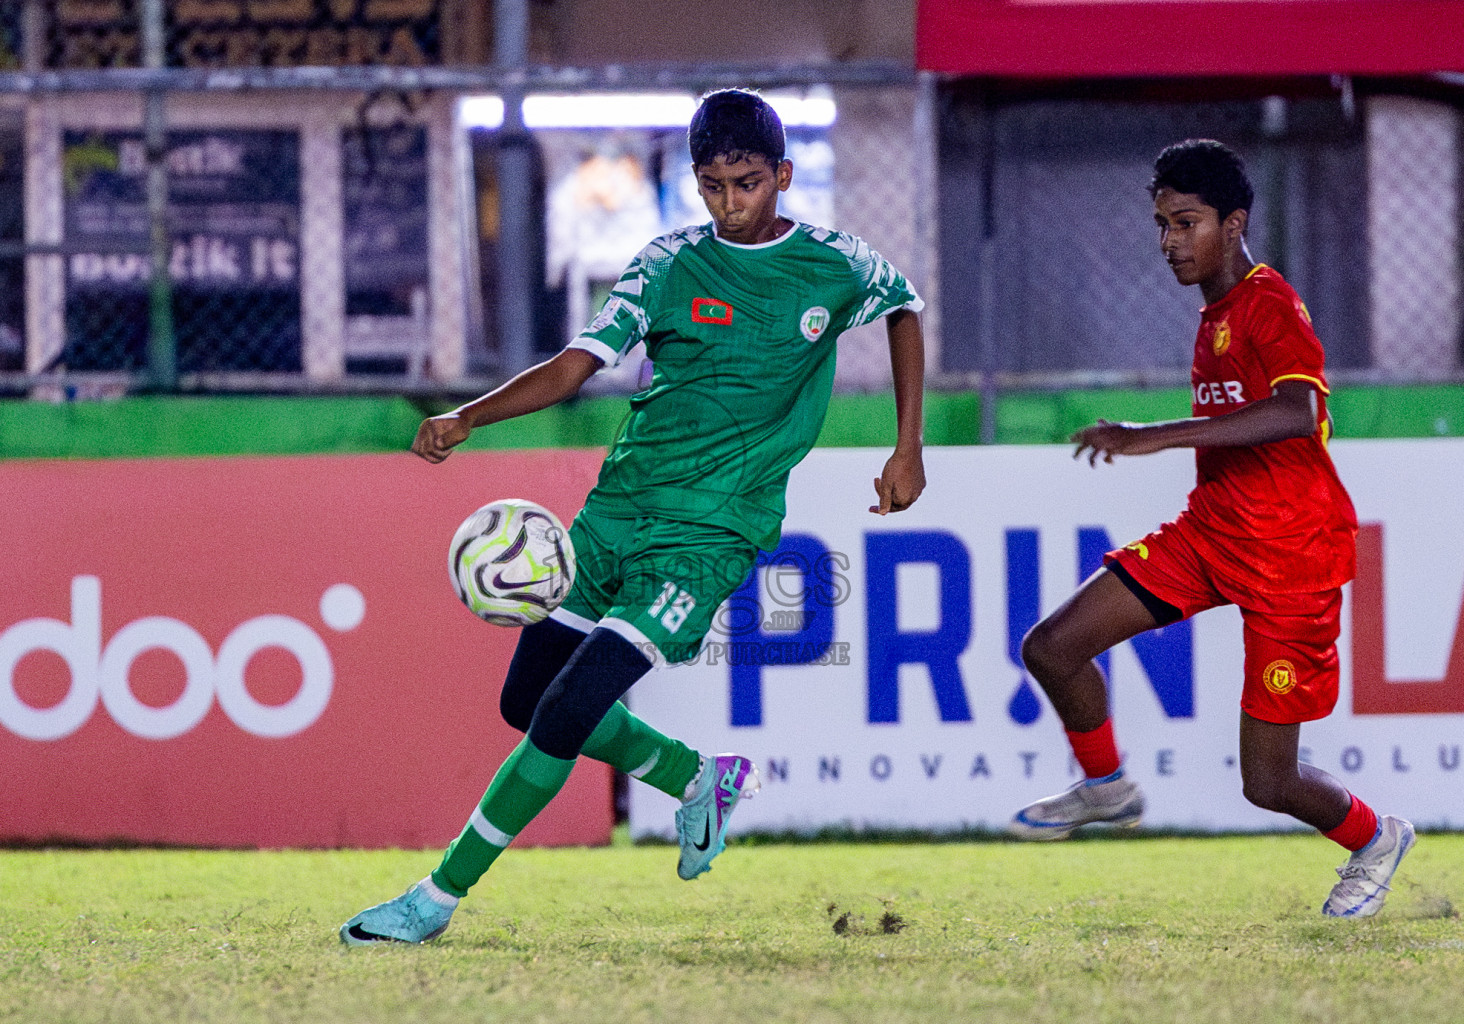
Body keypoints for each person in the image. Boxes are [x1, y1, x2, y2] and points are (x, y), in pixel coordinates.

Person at [340, 89, 928, 944]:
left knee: (569, 707)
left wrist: (908, 448)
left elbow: (904, 308)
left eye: (749, 183)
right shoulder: (666, 264)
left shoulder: (834, 263)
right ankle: (699, 779)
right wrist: (470, 415)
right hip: (617, 513)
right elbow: (576, 365)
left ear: (784, 176)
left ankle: (434, 899)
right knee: (526, 699)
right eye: (714, 185)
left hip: (710, 533)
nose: (732, 202)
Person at [1008, 139, 1413, 919]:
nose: (1168, 242)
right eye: (1161, 224)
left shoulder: (1269, 302)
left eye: (1185, 223)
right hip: (1213, 535)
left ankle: (1373, 838)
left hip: (1292, 556)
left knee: (1267, 783)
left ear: (1234, 224)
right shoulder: (1214, 317)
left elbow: (1301, 412)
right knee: (1052, 647)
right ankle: (1107, 789)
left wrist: (1152, 434)